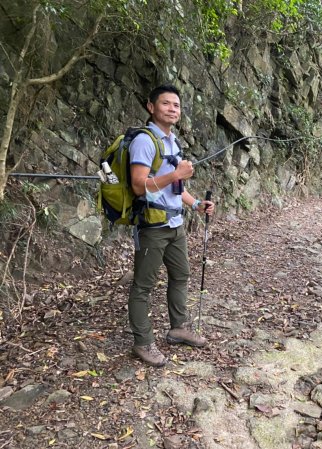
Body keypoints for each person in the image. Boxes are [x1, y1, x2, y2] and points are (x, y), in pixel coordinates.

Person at [128, 84, 215, 367]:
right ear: (151, 107)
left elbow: (176, 188)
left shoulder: (172, 142)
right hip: (152, 225)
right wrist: (176, 173)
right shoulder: (145, 141)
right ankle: (143, 343)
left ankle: (178, 327)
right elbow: (139, 186)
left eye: (176, 105)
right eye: (166, 104)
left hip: (175, 223)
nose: (172, 109)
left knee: (181, 275)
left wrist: (196, 204)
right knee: (143, 286)